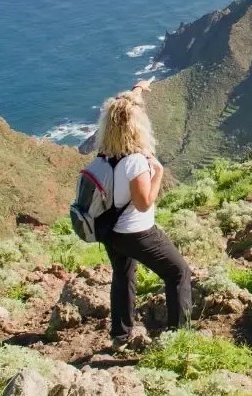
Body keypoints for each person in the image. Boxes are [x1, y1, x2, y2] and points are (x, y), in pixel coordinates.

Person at [94, 79, 192, 349]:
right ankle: (179, 339)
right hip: (137, 232)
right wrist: (158, 172)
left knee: (123, 276)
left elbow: (123, 108)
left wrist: (138, 89)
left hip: (110, 231)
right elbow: (144, 203)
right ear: (136, 127)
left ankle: (120, 336)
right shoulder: (135, 161)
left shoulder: (105, 154)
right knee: (178, 272)